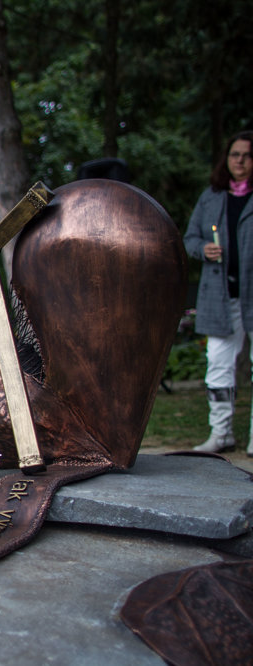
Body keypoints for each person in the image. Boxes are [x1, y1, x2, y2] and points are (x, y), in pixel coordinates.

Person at [183, 130, 253, 456]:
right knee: (218, 364)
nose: (240, 161)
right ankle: (221, 433)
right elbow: (189, 239)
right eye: (235, 154)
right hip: (221, 297)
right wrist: (203, 249)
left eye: (247, 155)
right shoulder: (212, 196)